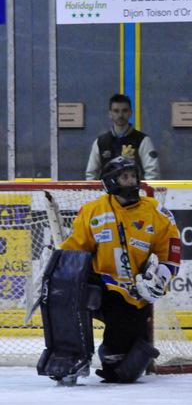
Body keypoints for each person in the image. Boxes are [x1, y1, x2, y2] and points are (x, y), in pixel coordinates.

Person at [51, 156, 181, 384]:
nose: (131, 181)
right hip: (99, 284)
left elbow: (170, 247)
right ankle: (70, 355)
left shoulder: (155, 212)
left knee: (128, 368)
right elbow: (75, 248)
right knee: (64, 298)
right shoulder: (93, 211)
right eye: (125, 177)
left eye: (133, 176)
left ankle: (111, 356)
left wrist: (161, 277)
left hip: (135, 291)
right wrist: (57, 262)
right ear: (111, 181)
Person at [86, 94, 160, 180]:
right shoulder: (100, 142)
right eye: (116, 111)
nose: (120, 115)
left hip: (135, 192)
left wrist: (143, 192)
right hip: (107, 193)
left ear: (130, 113)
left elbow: (153, 173)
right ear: (110, 114)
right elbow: (91, 175)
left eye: (124, 111)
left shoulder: (143, 140)